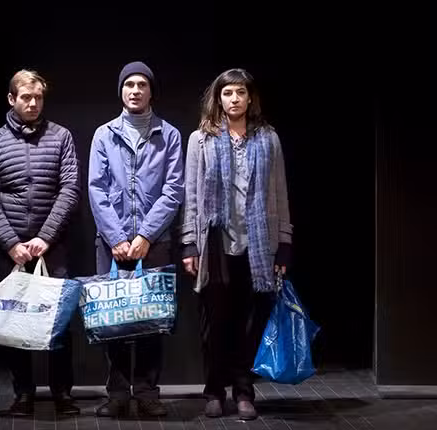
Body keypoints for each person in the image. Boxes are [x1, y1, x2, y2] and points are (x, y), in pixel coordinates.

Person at [180, 68, 292, 420]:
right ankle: (214, 390)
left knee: (248, 324)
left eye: (240, 92)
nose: (234, 99)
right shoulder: (201, 139)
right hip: (215, 242)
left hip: (257, 243)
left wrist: (284, 243)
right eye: (227, 93)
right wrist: (189, 244)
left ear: (250, 97)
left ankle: (244, 391)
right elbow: (191, 195)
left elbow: (280, 193)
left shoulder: (268, 139)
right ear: (218, 98)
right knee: (215, 323)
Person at [0, 69, 81, 416]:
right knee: (14, 321)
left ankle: (62, 393)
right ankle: (23, 394)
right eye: (26, 97)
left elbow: (70, 189)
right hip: (10, 249)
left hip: (53, 246)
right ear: (12, 99)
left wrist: (45, 237)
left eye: (38, 97)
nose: (33, 103)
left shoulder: (61, 137)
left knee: (58, 320)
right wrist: (11, 242)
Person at [86, 61, 184, 418]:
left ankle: (146, 393)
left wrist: (145, 235)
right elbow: (96, 189)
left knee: (151, 321)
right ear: (121, 91)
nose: (135, 90)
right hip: (111, 243)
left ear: (151, 92)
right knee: (112, 320)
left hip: (154, 242)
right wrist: (115, 236)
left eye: (142, 84)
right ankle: (116, 394)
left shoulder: (169, 135)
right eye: (129, 84)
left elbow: (173, 190)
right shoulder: (104, 134)